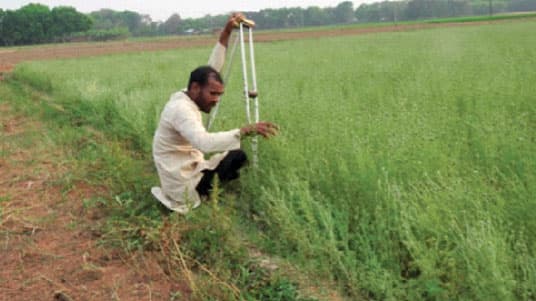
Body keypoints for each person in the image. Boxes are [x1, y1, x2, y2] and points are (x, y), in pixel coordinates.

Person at [151, 13, 278, 214]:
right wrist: (244, 130)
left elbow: (213, 67)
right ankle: (206, 194)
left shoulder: (186, 96)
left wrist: (226, 32)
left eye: (219, 94)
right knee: (237, 157)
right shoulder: (181, 110)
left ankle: (211, 186)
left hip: (186, 166)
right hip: (182, 180)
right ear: (195, 88)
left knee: (232, 157)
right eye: (212, 93)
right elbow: (204, 143)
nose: (216, 99)